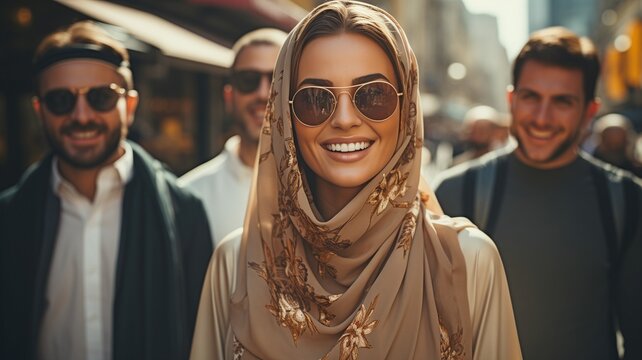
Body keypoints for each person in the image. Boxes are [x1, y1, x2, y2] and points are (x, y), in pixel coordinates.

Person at [190, 1, 521, 359]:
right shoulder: (236, 261)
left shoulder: (468, 261)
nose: (345, 119)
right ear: (286, 116)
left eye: (372, 95)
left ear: (406, 110)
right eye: (316, 99)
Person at [0, 21, 213, 360]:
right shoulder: (9, 218)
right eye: (60, 100)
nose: (81, 116)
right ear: (40, 111)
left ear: (129, 106)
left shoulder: (184, 212)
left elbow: (202, 338)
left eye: (101, 97)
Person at [434, 27, 642, 360]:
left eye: (562, 101)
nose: (542, 118)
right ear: (511, 99)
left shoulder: (628, 200)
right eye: (531, 97)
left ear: (589, 111)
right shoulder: (455, 191)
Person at [179, 28, 287, 245]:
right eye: (248, 80)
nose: (263, 93)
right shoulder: (188, 197)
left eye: (278, 79)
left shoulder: (327, 190)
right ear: (229, 96)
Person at [592, 113, 642, 177]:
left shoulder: (637, 171)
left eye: (618, 143)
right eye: (609, 141)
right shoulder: (589, 170)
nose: (614, 146)